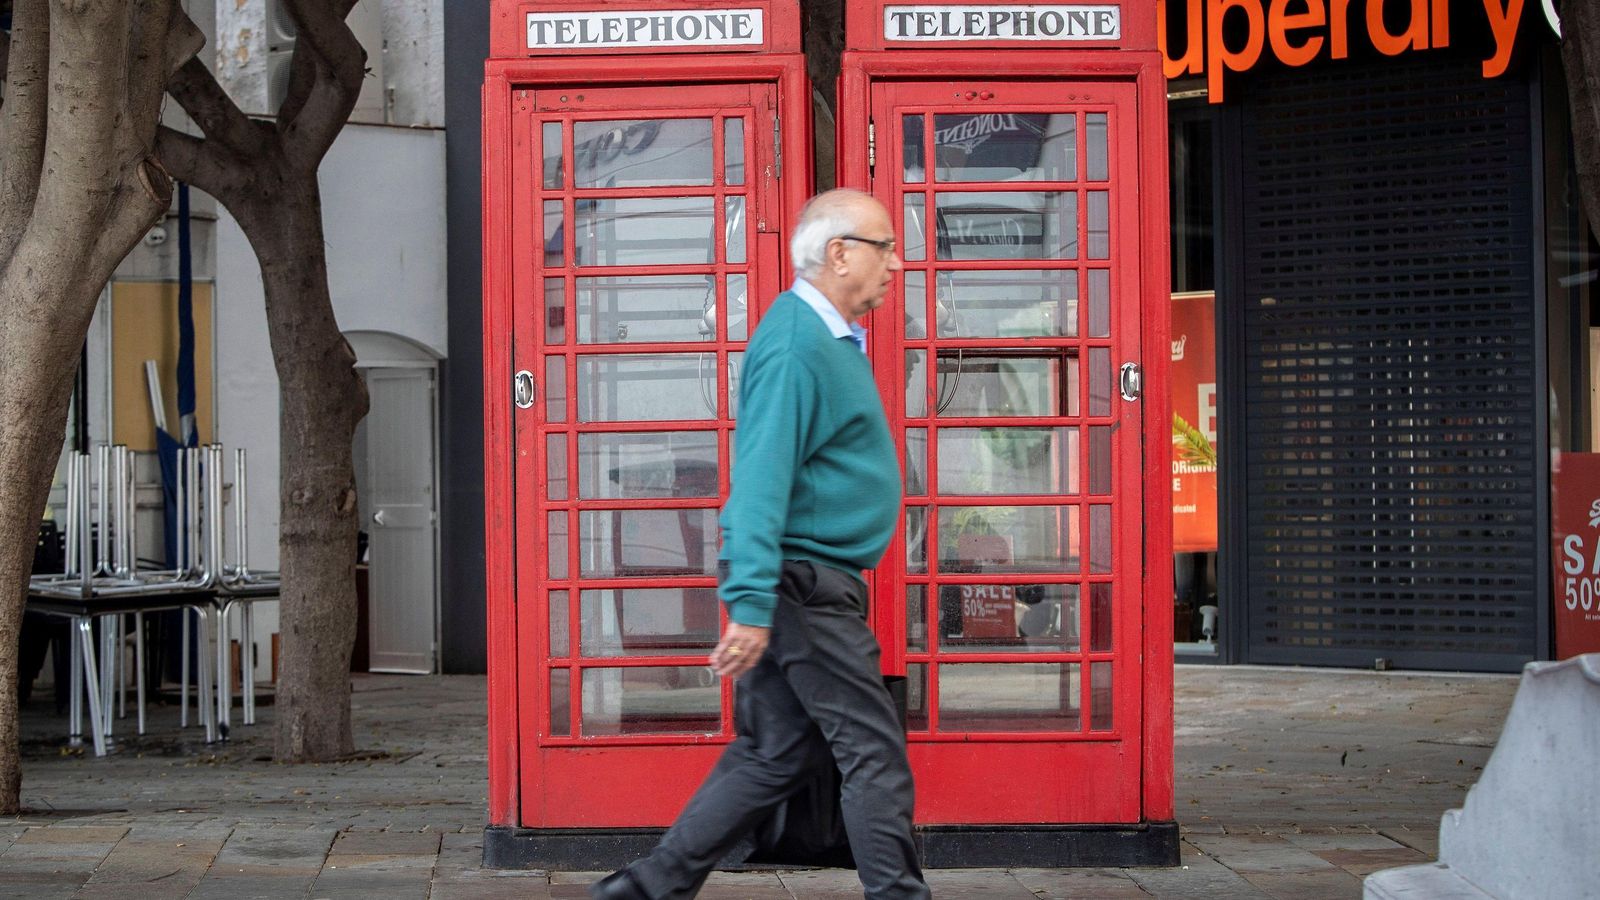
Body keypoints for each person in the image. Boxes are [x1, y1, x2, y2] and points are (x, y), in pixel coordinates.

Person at [591, 189, 930, 900]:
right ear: (839, 253)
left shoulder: (823, 338)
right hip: (803, 584)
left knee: (777, 751)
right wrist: (748, 601)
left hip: (801, 580)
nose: (898, 264)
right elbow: (759, 476)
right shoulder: (797, 343)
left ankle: (646, 889)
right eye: (886, 247)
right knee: (874, 752)